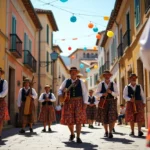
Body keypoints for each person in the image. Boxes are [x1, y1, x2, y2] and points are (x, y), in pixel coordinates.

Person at [58, 67, 88, 143]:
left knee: (79, 120)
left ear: (76, 73)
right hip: (68, 102)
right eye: (72, 72)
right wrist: (62, 94)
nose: (73, 73)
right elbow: (60, 90)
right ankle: (72, 133)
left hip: (79, 102)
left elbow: (85, 92)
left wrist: (85, 102)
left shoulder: (81, 82)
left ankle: (78, 137)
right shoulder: (66, 81)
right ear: (70, 73)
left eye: (75, 72)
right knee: (69, 120)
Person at [95, 70, 119, 138]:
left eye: (108, 75)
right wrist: (102, 94)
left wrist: (111, 92)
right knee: (104, 117)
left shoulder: (113, 83)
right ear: (104, 76)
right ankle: (106, 131)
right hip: (103, 102)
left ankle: (110, 132)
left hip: (112, 101)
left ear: (110, 76)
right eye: (105, 75)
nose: (107, 76)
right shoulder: (100, 84)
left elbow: (117, 93)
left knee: (112, 117)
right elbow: (96, 94)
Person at [0, 68, 10, 141]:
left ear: (1, 73)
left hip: (1, 102)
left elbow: (4, 92)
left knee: (0, 120)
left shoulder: (4, 82)